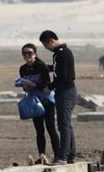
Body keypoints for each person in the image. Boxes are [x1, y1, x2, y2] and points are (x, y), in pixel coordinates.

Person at [39, 30, 77, 164]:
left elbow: (64, 77)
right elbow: (58, 70)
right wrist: (48, 68)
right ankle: (71, 153)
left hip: (66, 92)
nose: (46, 48)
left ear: (51, 41)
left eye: (45, 45)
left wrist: (50, 87)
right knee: (67, 124)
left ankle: (63, 156)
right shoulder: (58, 54)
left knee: (63, 126)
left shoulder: (63, 54)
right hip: (63, 92)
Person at [18, 43, 59, 164]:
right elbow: (25, 87)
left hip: (46, 101)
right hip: (34, 102)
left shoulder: (41, 67)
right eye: (24, 53)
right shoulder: (23, 69)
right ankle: (42, 155)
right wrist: (24, 86)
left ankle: (58, 155)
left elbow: (46, 84)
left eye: (29, 53)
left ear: (35, 54)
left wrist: (34, 85)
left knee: (51, 128)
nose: (27, 55)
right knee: (39, 130)